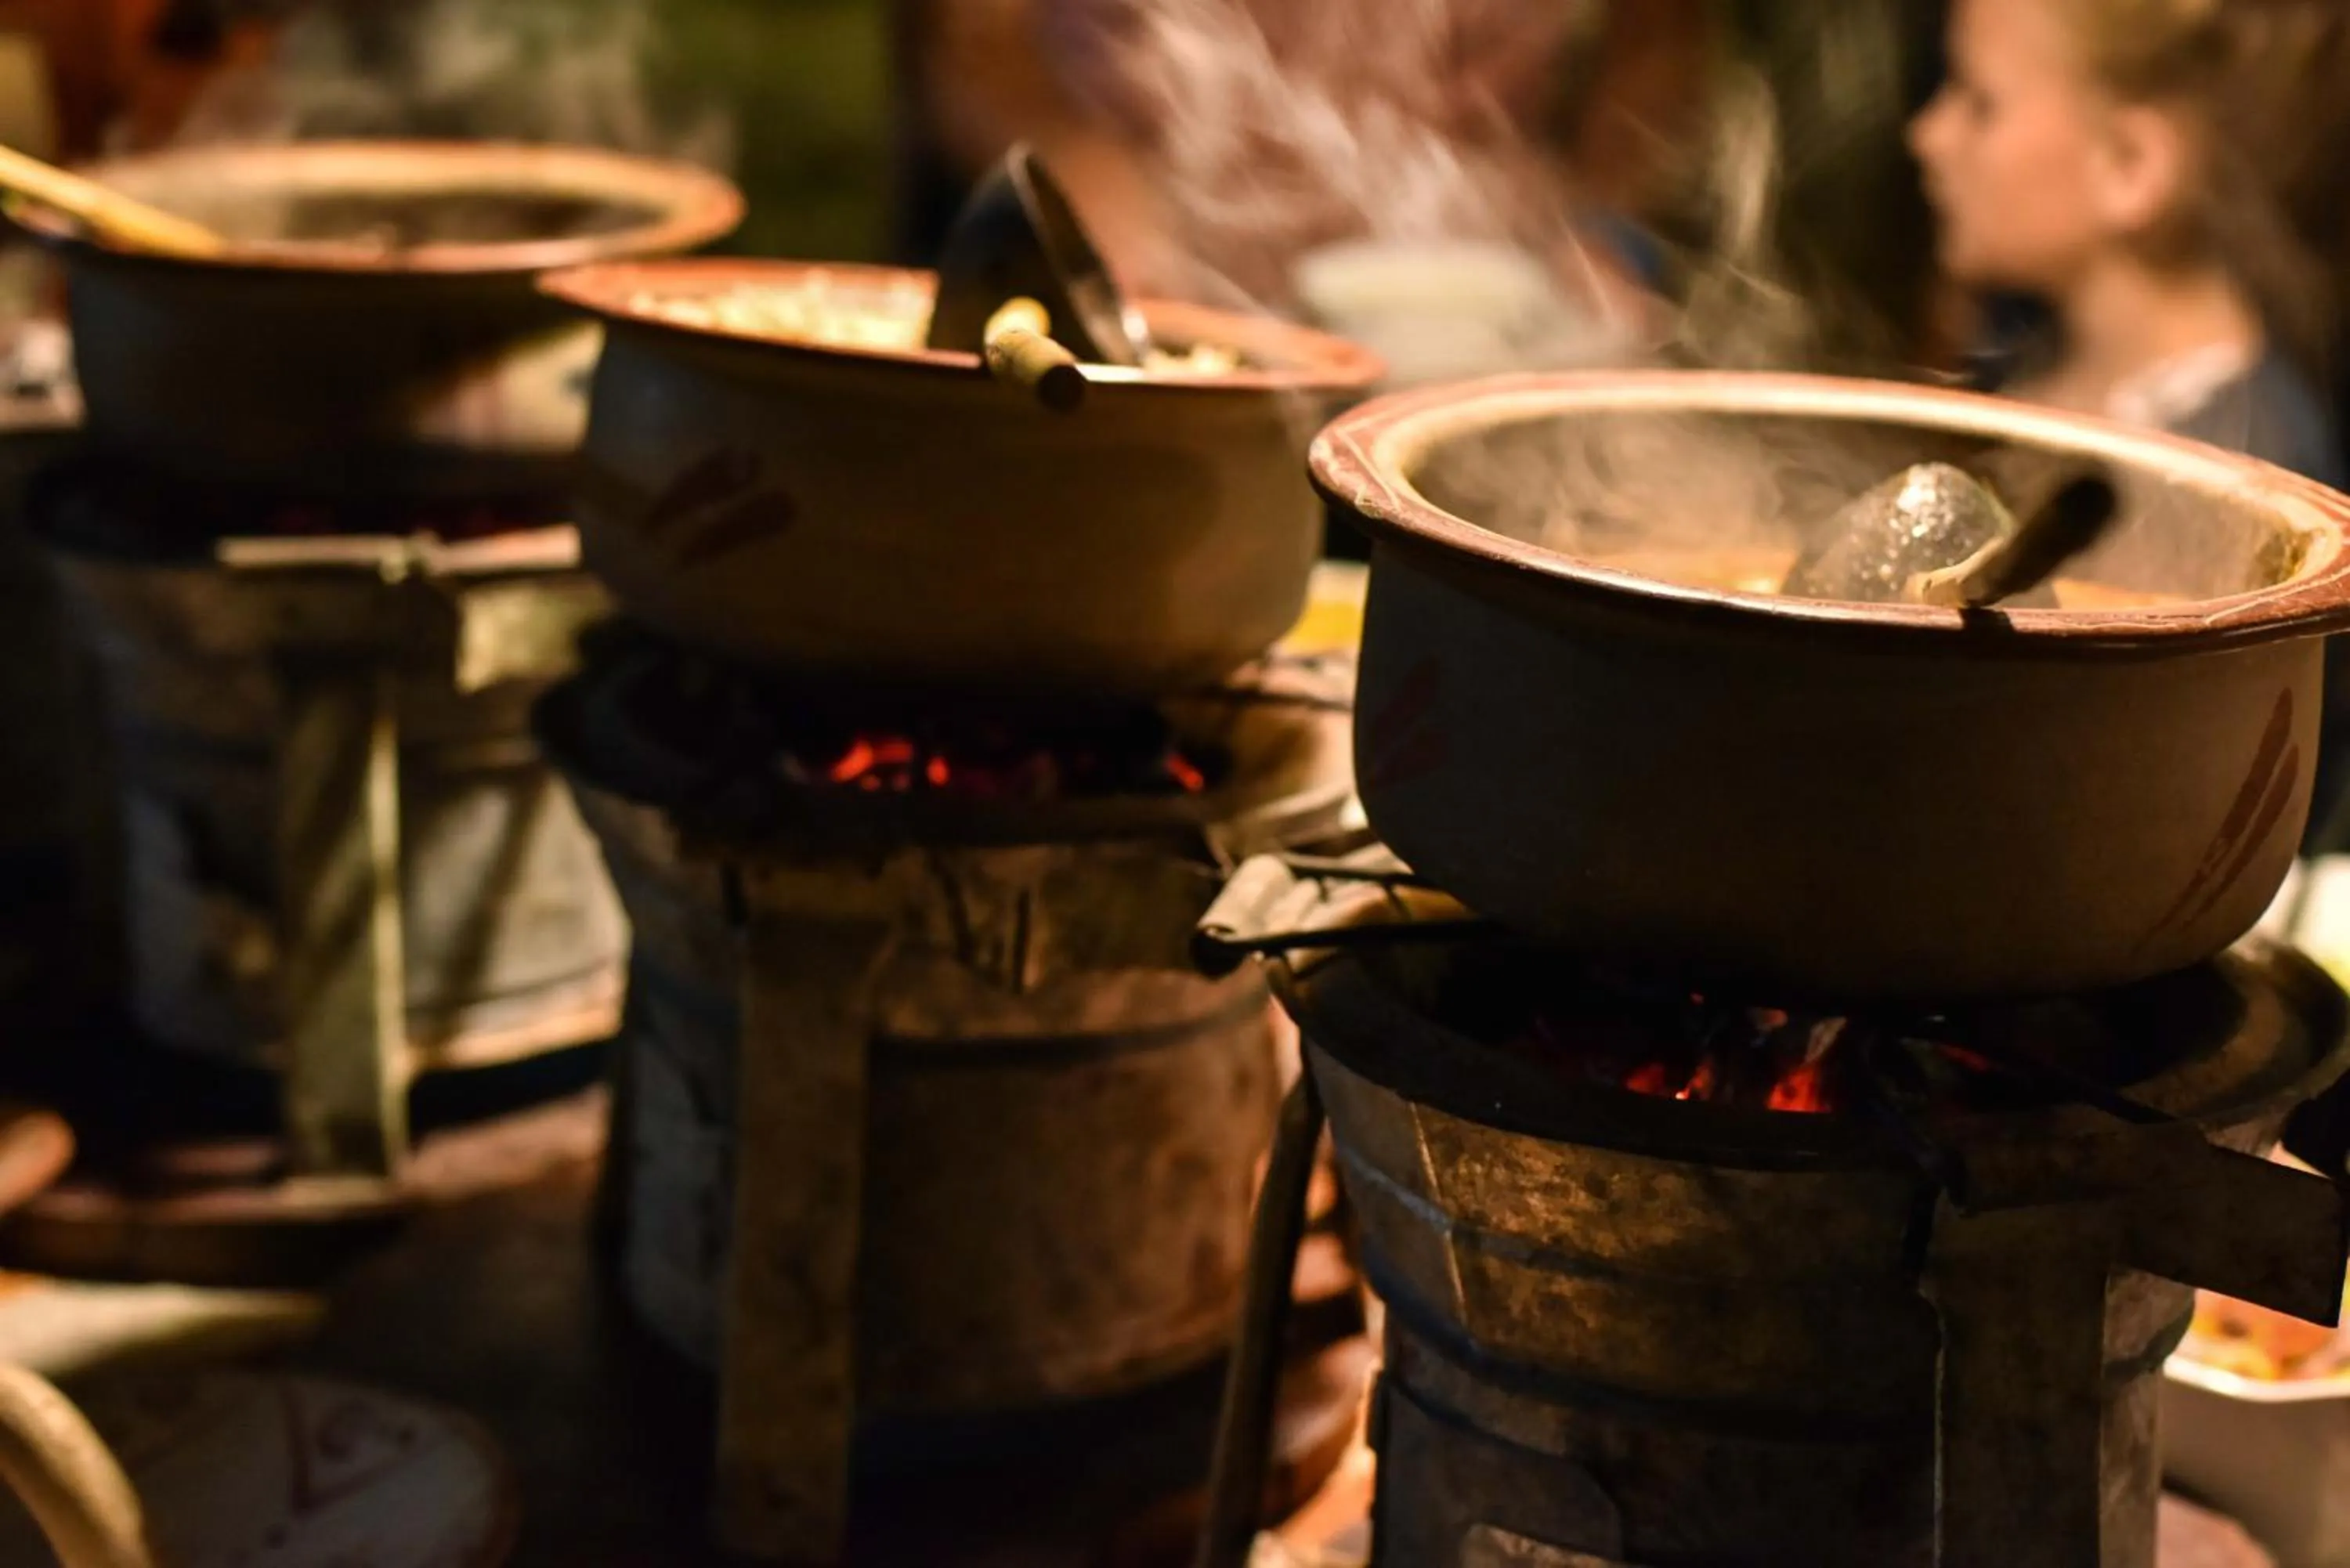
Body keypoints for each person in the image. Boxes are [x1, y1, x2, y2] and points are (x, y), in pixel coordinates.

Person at [1908, 0, 2347, 486]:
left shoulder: (2240, 472)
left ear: (2130, 163)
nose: (1928, 135)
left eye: (1980, 104)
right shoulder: (2033, 362)